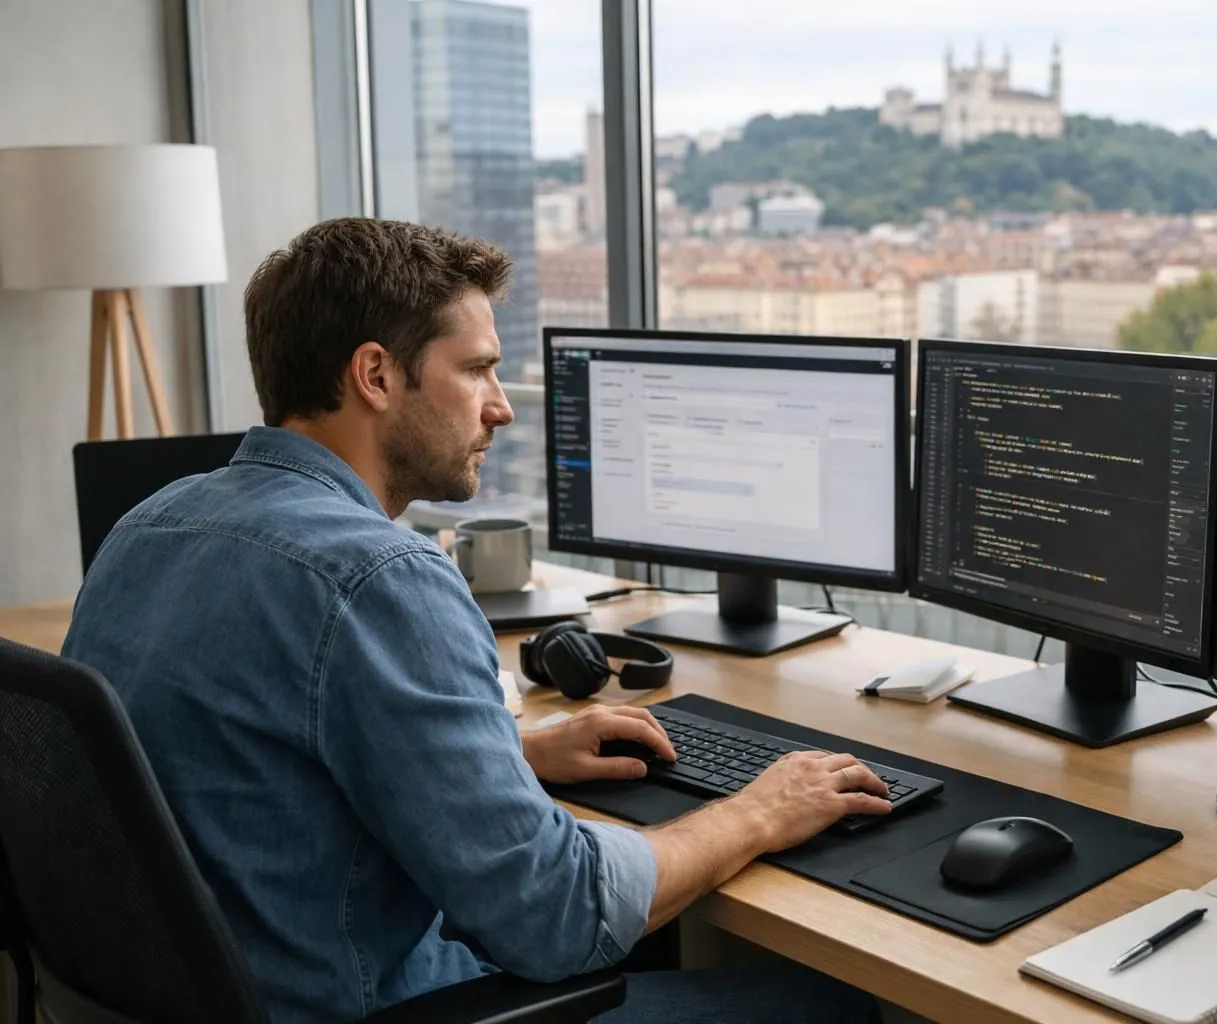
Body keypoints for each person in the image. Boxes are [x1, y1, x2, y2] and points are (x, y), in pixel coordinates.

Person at [61, 218, 889, 1024]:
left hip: (181, 995)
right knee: (837, 1004)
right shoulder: (382, 577)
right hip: (359, 999)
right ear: (376, 376)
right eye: (478, 371)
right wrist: (758, 810)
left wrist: (505, 756)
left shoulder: (149, 522)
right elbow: (558, 918)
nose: (502, 408)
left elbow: (243, 765)